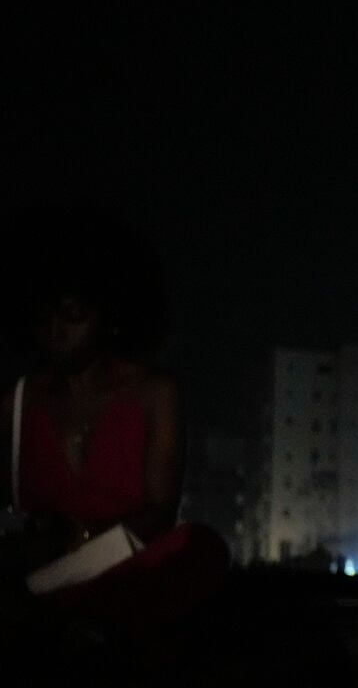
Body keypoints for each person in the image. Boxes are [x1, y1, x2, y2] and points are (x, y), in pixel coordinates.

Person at [1, 210, 228, 646]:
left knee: (201, 548)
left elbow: (160, 513)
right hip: (40, 572)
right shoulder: (17, 401)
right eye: (44, 318)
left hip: (123, 565)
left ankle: (86, 619)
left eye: (72, 316)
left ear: (110, 316)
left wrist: (83, 541)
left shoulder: (155, 392)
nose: (56, 332)